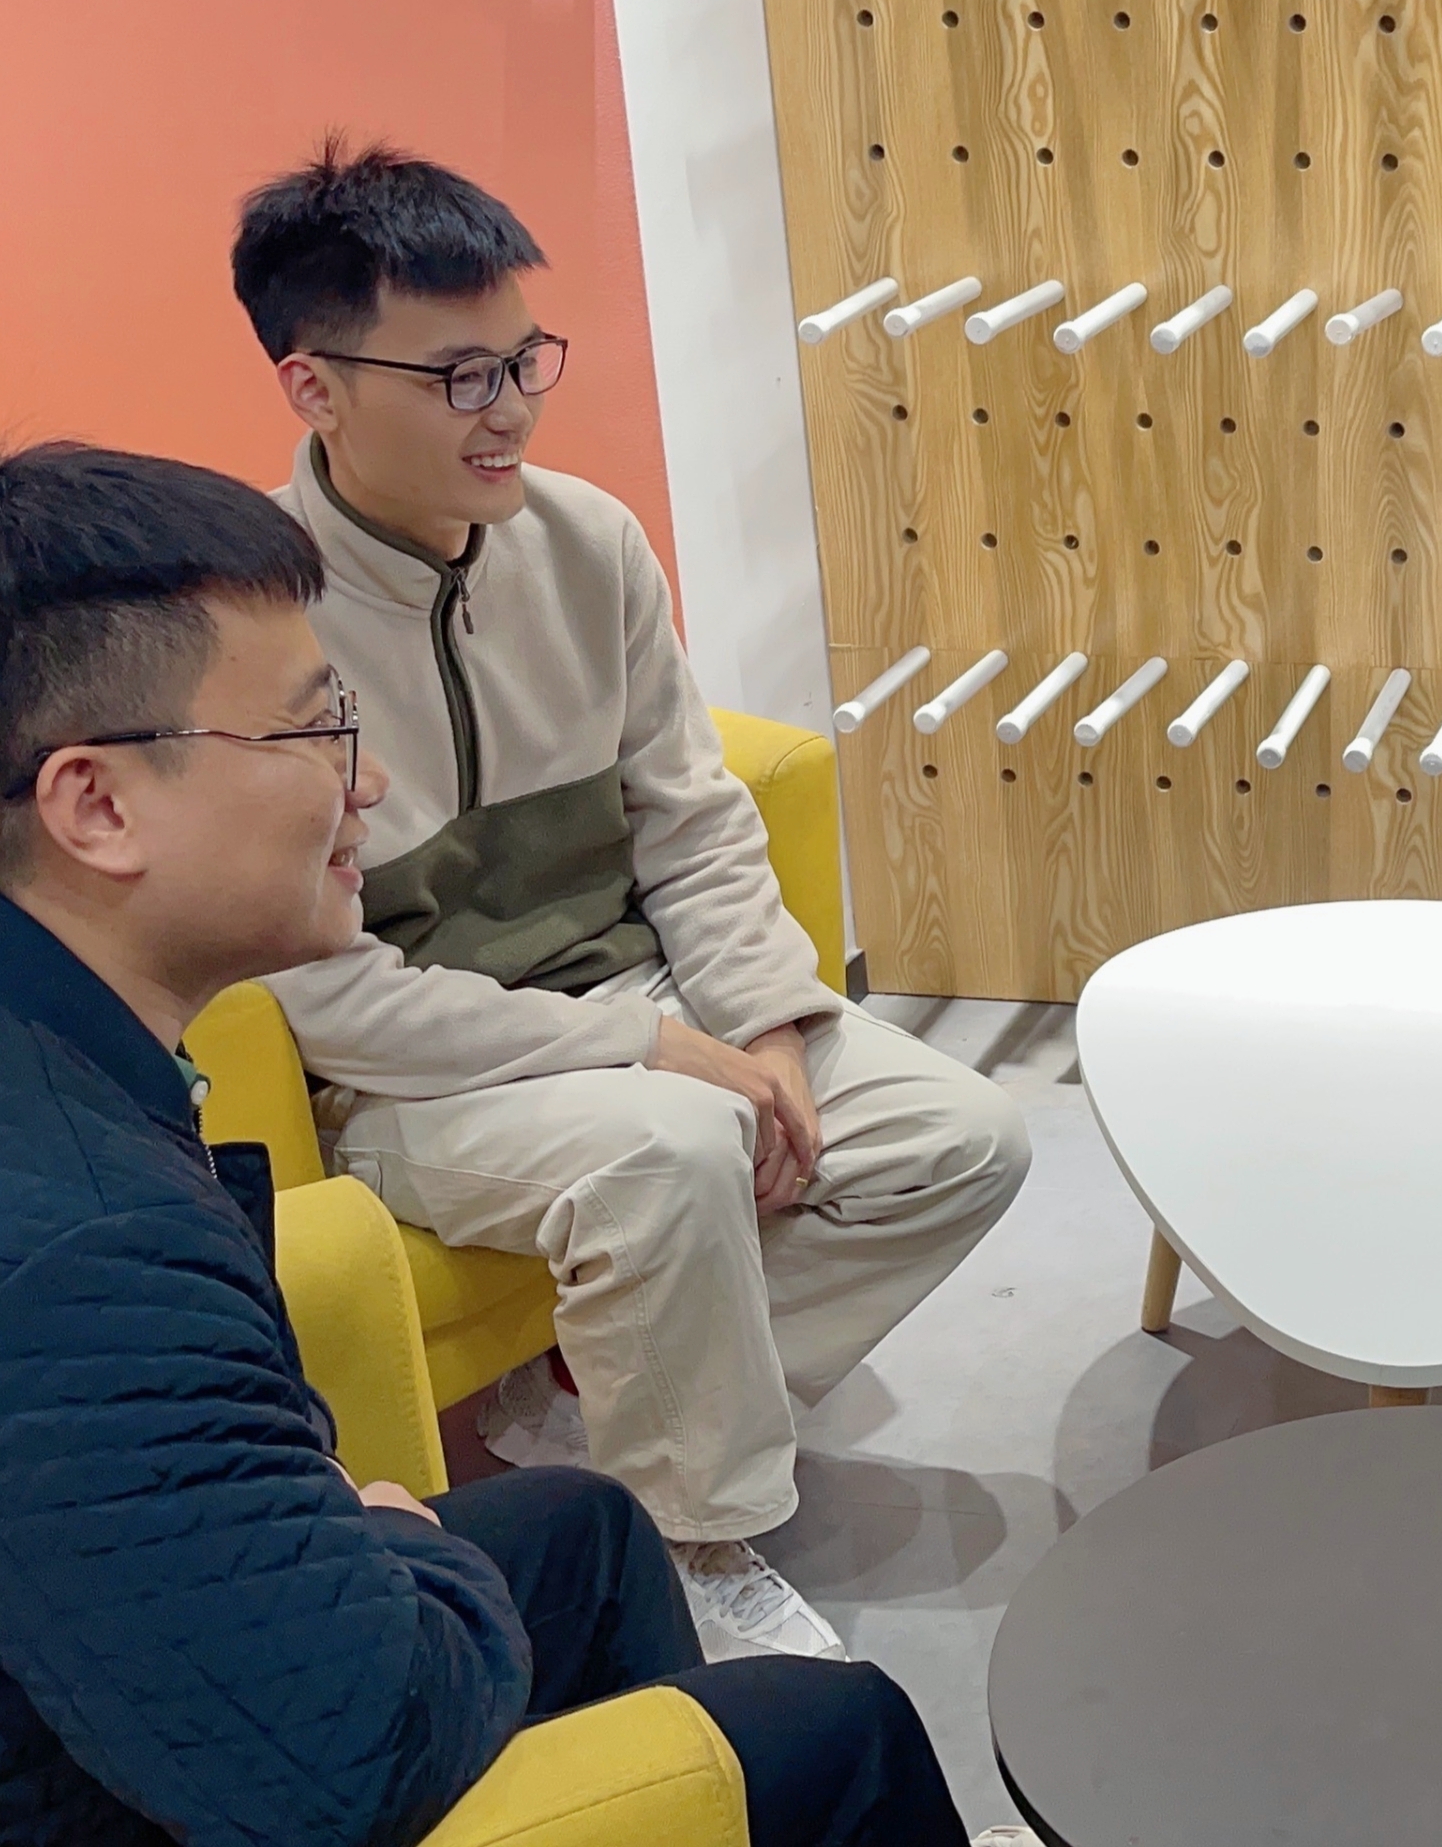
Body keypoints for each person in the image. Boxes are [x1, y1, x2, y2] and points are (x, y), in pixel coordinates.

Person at [0, 441, 983, 1845]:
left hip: (178, 1640)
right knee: (840, 1724)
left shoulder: (71, 1044)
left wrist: (757, 1020)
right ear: (96, 804)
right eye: (315, 732)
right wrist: (401, 1539)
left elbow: (698, 821)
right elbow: (342, 1763)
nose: (367, 783)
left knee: (587, 1528)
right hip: (156, 1777)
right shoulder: (95, 1259)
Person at [229, 138, 1032, 1659]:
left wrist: (768, 1027)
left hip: (636, 991)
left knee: (960, 1137)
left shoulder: (587, 541)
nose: (511, 409)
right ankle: (688, 1543)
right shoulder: (257, 625)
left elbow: (695, 818)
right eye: (458, 376)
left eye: (524, 358)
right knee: (672, 1145)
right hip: (422, 1073)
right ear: (314, 387)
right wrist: (652, 1052)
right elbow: (325, 993)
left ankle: (588, 1420)